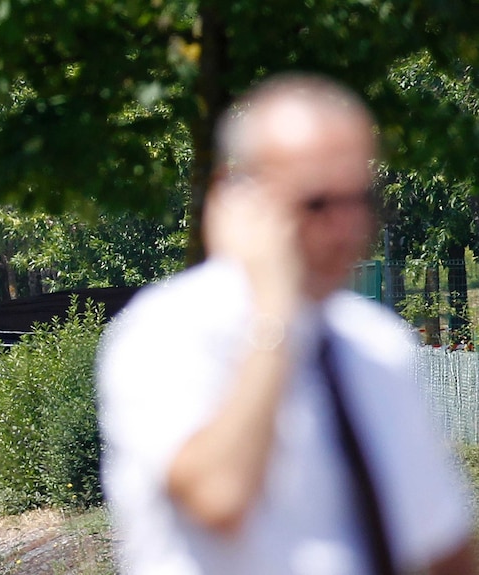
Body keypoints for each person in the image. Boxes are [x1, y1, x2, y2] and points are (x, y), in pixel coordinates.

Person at [96, 73, 478, 575]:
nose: (346, 229)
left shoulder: (376, 342)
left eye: (359, 200)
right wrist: (275, 316)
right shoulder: (167, 332)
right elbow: (218, 494)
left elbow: (441, 547)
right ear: (236, 195)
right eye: (316, 203)